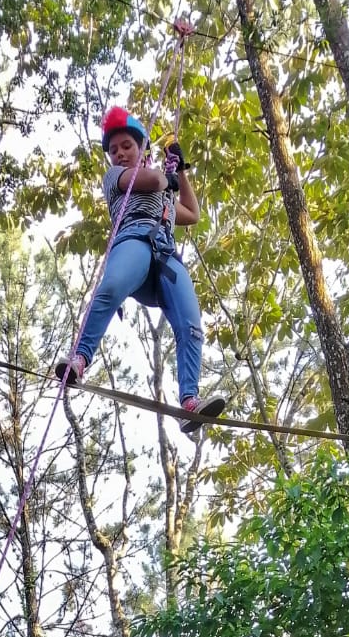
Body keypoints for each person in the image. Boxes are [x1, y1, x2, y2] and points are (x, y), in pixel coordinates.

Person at [56, 75, 227, 435]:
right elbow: (150, 182)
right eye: (115, 148)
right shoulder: (118, 177)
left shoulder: (161, 185)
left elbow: (192, 214)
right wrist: (166, 176)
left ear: (142, 147)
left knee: (191, 325)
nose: (119, 153)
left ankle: (190, 403)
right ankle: (80, 358)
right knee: (111, 287)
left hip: (165, 259)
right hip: (133, 243)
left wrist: (180, 172)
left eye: (127, 147)